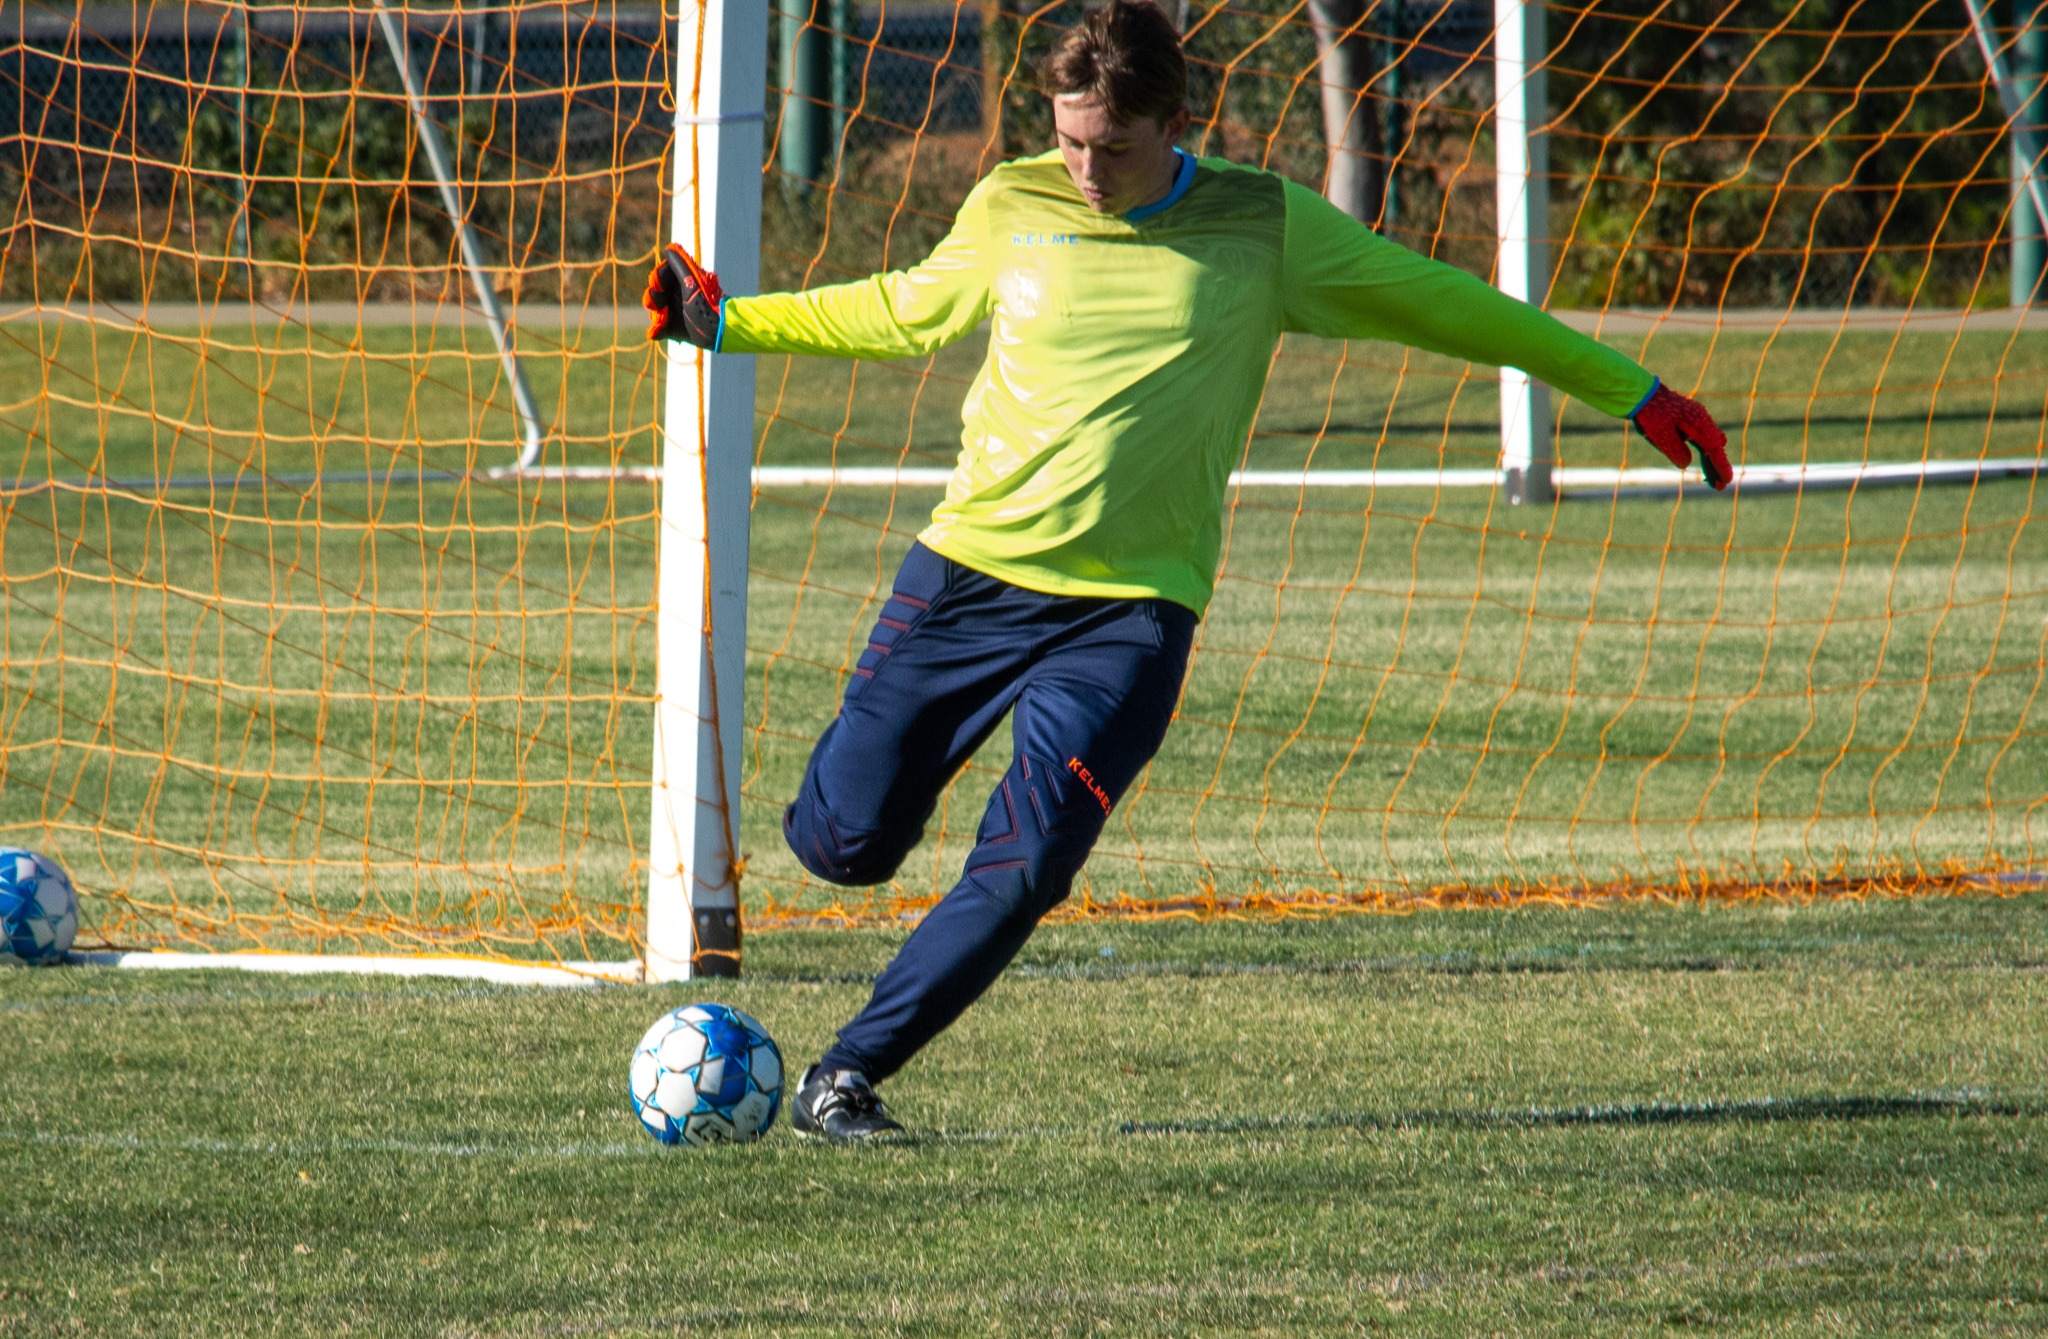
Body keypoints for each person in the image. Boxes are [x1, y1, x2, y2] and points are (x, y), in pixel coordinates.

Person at [644, 0, 1729, 1140]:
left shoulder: (1260, 226)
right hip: (967, 576)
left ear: (1173, 120)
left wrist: (1631, 391)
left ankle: (845, 1074)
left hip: (1129, 616)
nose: (1086, 169)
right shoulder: (1012, 201)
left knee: (1026, 864)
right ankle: (854, 830)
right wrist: (729, 321)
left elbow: (1449, 307)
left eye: (1111, 146)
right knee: (841, 846)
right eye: (1067, 141)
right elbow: (905, 309)